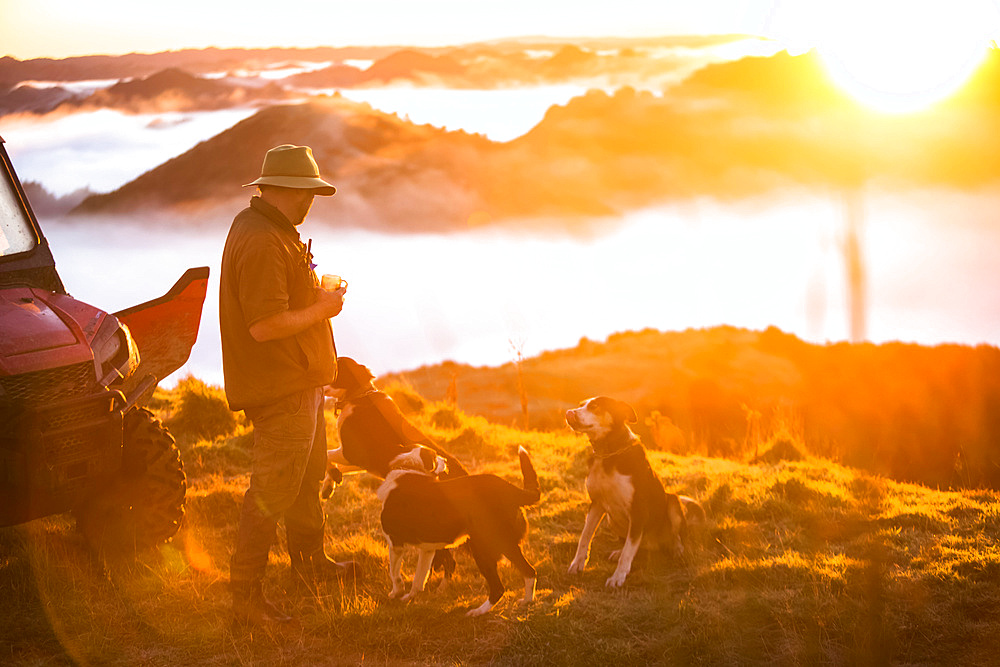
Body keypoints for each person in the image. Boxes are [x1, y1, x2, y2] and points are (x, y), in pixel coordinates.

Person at [219, 144, 358, 629]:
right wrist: (324, 308)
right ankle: (245, 600)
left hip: (300, 380)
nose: (311, 201)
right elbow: (263, 325)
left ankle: (309, 563)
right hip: (280, 386)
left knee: (306, 477)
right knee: (272, 491)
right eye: (306, 192)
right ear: (278, 189)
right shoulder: (261, 241)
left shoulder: (272, 231)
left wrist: (315, 294)